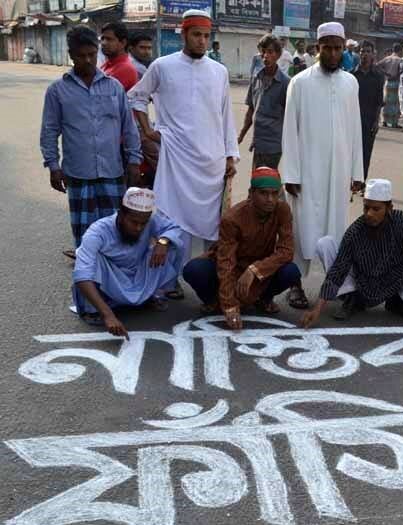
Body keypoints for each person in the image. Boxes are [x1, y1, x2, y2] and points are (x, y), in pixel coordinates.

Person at [129, 9, 239, 298]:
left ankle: (207, 279)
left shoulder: (219, 71)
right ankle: (169, 280)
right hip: (176, 157)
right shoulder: (162, 66)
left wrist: (230, 155)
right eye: (196, 35)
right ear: (183, 34)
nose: (202, 41)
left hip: (212, 160)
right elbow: (136, 97)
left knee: (211, 225)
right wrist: (149, 131)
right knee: (171, 220)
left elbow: (226, 116)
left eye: (206, 36)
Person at [281, 21, 364, 309]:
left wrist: (357, 173)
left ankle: (336, 284)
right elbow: (290, 130)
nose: (332, 53)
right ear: (317, 49)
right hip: (307, 172)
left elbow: (356, 129)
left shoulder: (351, 83)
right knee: (301, 228)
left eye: (337, 48)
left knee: (337, 231)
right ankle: (295, 284)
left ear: (344, 49)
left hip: (339, 171)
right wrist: (290, 172)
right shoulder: (299, 82)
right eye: (326, 48)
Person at [41, 25, 141, 258]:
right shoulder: (57, 91)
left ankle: (114, 283)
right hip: (78, 174)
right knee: (85, 236)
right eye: (81, 55)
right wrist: (53, 166)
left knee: (115, 232)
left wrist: (134, 160)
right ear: (71, 55)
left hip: (112, 173)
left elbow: (129, 127)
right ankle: (89, 283)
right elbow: (49, 130)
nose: (87, 60)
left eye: (91, 55)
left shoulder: (114, 87)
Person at [301, 179, 403, 326]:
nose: (369, 214)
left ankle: (398, 301)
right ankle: (351, 299)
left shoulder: (401, 220)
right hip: (363, 282)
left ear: (389, 208)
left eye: (376, 209)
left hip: (396, 277)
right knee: (325, 244)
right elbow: (337, 272)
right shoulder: (355, 232)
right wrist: (317, 309)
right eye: (366, 208)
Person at [183, 167, 301, 329]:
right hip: (232, 266)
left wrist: (255, 269)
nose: (270, 199)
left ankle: (264, 299)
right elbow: (226, 263)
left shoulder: (282, 210)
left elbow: (286, 251)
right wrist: (229, 304)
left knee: (291, 271)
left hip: (261, 271)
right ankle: (213, 301)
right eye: (264, 193)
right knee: (194, 269)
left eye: (274, 193)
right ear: (251, 193)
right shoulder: (232, 218)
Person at [73, 187, 184, 334]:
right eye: (133, 222)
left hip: (138, 273)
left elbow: (174, 228)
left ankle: (153, 294)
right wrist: (108, 316)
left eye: (143, 223)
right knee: (89, 261)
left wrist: (163, 241)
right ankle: (93, 310)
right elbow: (82, 275)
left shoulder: (149, 221)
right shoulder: (97, 231)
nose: (139, 228)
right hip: (112, 279)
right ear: (120, 214)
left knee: (172, 244)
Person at [238, 34, 289, 171]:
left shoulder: (286, 83)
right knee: (259, 184)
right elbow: (251, 110)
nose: (265, 56)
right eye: (263, 52)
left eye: (270, 52)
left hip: (273, 145)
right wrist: (241, 136)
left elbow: (291, 117)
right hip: (258, 142)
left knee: (264, 185)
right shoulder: (256, 78)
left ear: (278, 55)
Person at [354, 40, 385, 177]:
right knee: (351, 152)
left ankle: (361, 181)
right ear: (359, 54)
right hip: (352, 121)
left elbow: (379, 101)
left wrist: (376, 121)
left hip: (369, 121)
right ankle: (349, 180)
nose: (365, 54)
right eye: (362, 51)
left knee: (366, 152)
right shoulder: (351, 75)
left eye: (368, 51)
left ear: (373, 54)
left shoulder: (378, 76)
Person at [99, 22, 138, 92]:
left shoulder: (126, 69)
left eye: (109, 39)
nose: (103, 43)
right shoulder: (107, 65)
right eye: (102, 38)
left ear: (123, 43)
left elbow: (100, 97)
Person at [377, 44, 403, 128]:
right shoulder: (400, 60)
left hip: (387, 82)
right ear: (400, 51)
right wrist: (396, 75)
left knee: (386, 101)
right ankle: (394, 123)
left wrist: (385, 73)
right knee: (395, 103)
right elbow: (401, 70)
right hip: (395, 83)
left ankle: (384, 121)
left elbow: (377, 65)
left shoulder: (387, 58)